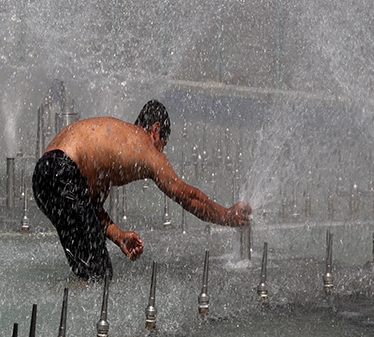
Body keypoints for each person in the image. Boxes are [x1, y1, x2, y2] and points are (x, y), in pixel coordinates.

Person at [32, 99, 252, 280]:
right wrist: (226, 215)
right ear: (155, 130)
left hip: (44, 177)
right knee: (99, 275)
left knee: (88, 269)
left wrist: (119, 236)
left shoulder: (114, 145)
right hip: (63, 171)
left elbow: (90, 208)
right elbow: (186, 196)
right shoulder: (145, 145)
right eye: (163, 145)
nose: (161, 152)